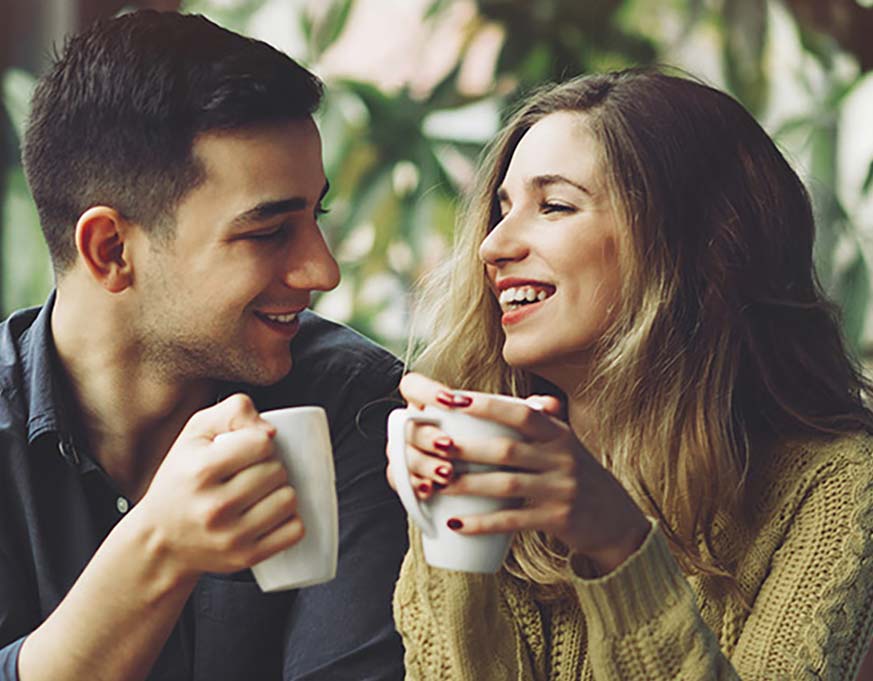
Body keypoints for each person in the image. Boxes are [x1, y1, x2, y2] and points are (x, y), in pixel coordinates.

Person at [388, 68, 873, 679]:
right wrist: (451, 541)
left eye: (555, 205)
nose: (492, 246)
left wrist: (616, 543)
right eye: (502, 210)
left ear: (699, 243)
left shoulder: (835, 489)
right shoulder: (487, 465)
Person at [0, 10, 407, 681]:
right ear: (111, 251)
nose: (322, 271)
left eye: (316, 216)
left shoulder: (346, 402)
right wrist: (160, 547)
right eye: (268, 231)